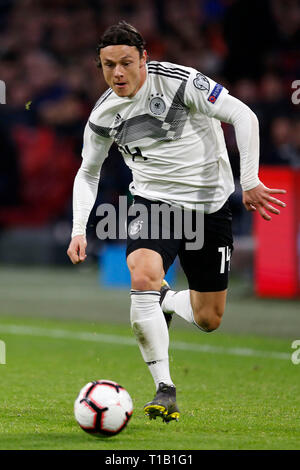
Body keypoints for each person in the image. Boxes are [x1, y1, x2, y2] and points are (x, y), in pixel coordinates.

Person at [67, 21, 286, 423]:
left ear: (144, 60)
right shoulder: (103, 114)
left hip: (210, 207)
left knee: (208, 318)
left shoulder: (180, 83)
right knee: (143, 274)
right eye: (108, 65)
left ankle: (167, 300)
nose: (118, 74)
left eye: (126, 63)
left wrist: (250, 180)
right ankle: (164, 388)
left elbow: (244, 115)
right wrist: (79, 228)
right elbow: (88, 172)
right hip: (155, 203)